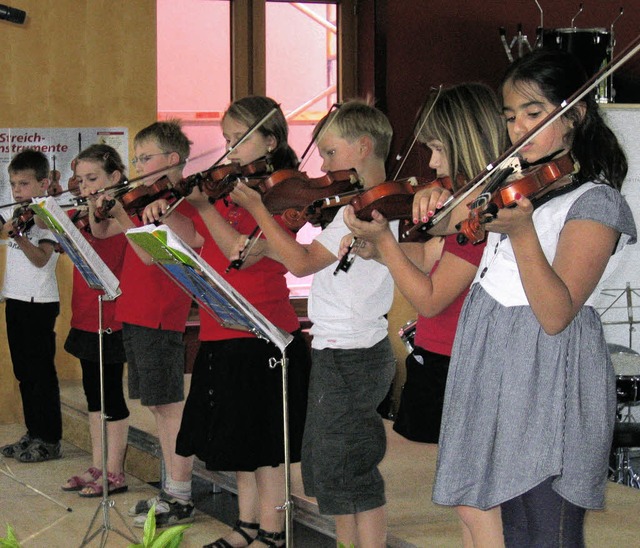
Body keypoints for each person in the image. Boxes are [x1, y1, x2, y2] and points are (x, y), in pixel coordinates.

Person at [414, 49, 636, 547]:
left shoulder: (596, 201)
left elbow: (556, 314)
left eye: (534, 113)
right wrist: (425, 200)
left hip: (548, 365)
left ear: (574, 113)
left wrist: (522, 232)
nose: (518, 128)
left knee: (544, 527)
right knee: (504, 520)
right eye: (511, 117)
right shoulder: (510, 185)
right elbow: (446, 220)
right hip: (491, 358)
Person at [141, 95, 311, 548]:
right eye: (227, 139)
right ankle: (247, 526)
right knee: (239, 444)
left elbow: (242, 250)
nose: (229, 149)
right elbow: (198, 239)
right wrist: (166, 217)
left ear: (270, 140)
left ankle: (274, 533)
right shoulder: (229, 191)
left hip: (262, 331)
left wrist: (207, 206)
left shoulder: (281, 194)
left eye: (239, 139)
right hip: (221, 327)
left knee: (267, 449)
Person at [229, 99, 396, 548]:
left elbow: (302, 264)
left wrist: (259, 209)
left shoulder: (377, 210)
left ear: (363, 147)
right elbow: (306, 260)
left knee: (349, 464)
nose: (321, 165)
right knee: (328, 466)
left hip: (354, 352)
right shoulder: (347, 208)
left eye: (330, 152)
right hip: (335, 347)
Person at [341, 84, 506, 450]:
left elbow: (430, 300)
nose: (431, 163)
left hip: (457, 360)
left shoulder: (481, 211)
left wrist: (385, 241)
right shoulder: (461, 200)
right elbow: (431, 256)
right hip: (437, 352)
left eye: (439, 149)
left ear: (469, 141)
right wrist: (377, 250)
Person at [89, 121, 198, 527]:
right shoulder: (146, 203)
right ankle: (172, 489)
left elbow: (154, 254)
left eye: (144, 158)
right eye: (134, 159)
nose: (137, 166)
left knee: (169, 406)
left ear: (172, 160)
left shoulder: (182, 207)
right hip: (133, 312)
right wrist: (99, 204)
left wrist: (124, 214)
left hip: (159, 315)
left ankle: (180, 493)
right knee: (156, 404)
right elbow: (100, 232)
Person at [60, 144, 129, 497]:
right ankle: (98, 464)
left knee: (111, 394)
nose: (86, 187)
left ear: (115, 178)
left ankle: (115, 472)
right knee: (92, 396)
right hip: (86, 311)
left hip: (112, 316)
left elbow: (102, 235)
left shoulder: (119, 212)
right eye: (81, 180)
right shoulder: (88, 211)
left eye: (93, 179)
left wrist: (89, 207)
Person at [0, 149, 62, 463]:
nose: (16, 190)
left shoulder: (45, 215)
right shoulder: (19, 213)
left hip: (39, 302)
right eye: (13, 184)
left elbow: (41, 260)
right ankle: (33, 432)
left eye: (23, 183)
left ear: (43, 182)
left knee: (41, 373)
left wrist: (21, 238)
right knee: (24, 373)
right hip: (16, 299)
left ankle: (49, 438)